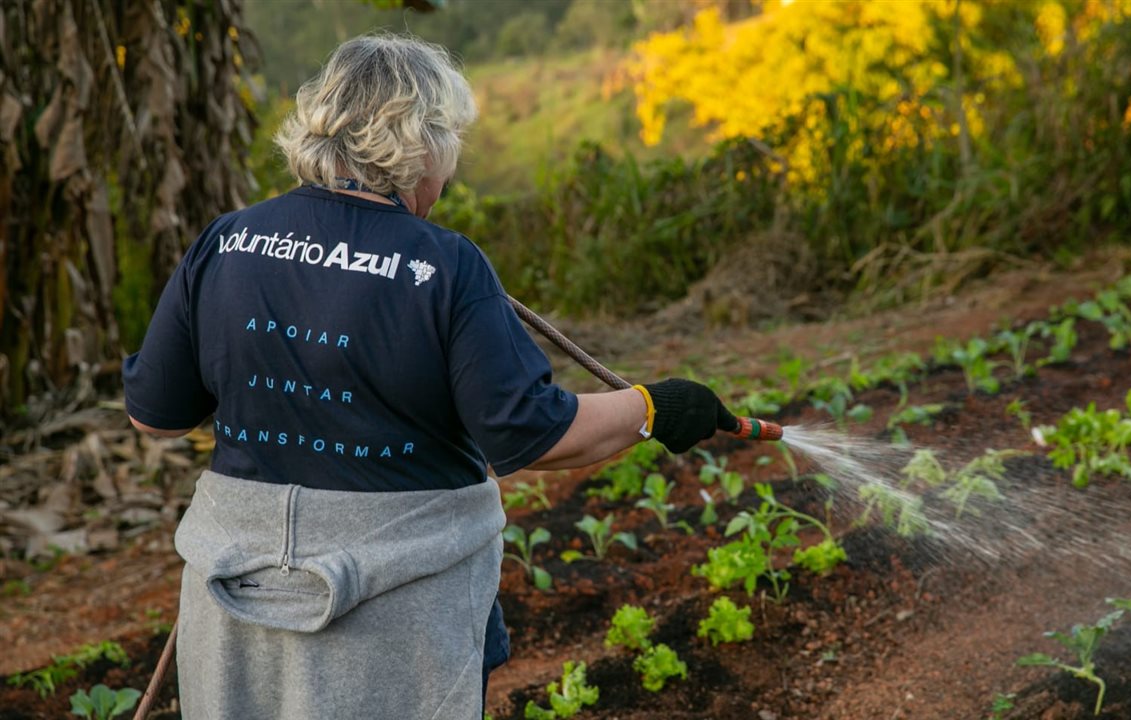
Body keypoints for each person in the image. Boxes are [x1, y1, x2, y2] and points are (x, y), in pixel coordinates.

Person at [122, 33, 737, 720]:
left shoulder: (226, 241)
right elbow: (531, 434)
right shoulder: (445, 265)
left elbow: (156, 415)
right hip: (395, 616)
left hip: (236, 605)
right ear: (425, 143)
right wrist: (652, 407)